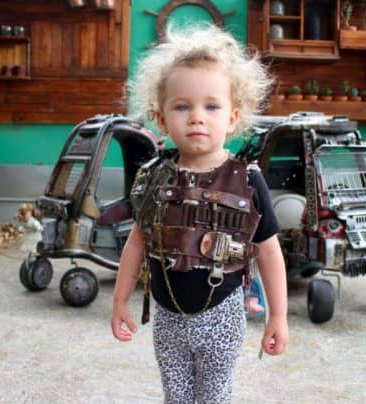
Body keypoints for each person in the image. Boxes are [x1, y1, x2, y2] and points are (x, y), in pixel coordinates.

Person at [111, 24, 289, 403]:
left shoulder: (248, 180)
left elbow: (269, 251)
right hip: (167, 318)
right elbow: (137, 242)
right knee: (175, 397)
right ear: (162, 119)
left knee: (214, 397)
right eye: (182, 106)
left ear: (233, 117)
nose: (196, 117)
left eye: (211, 106)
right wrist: (120, 301)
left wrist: (278, 316)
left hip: (222, 316)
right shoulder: (154, 178)